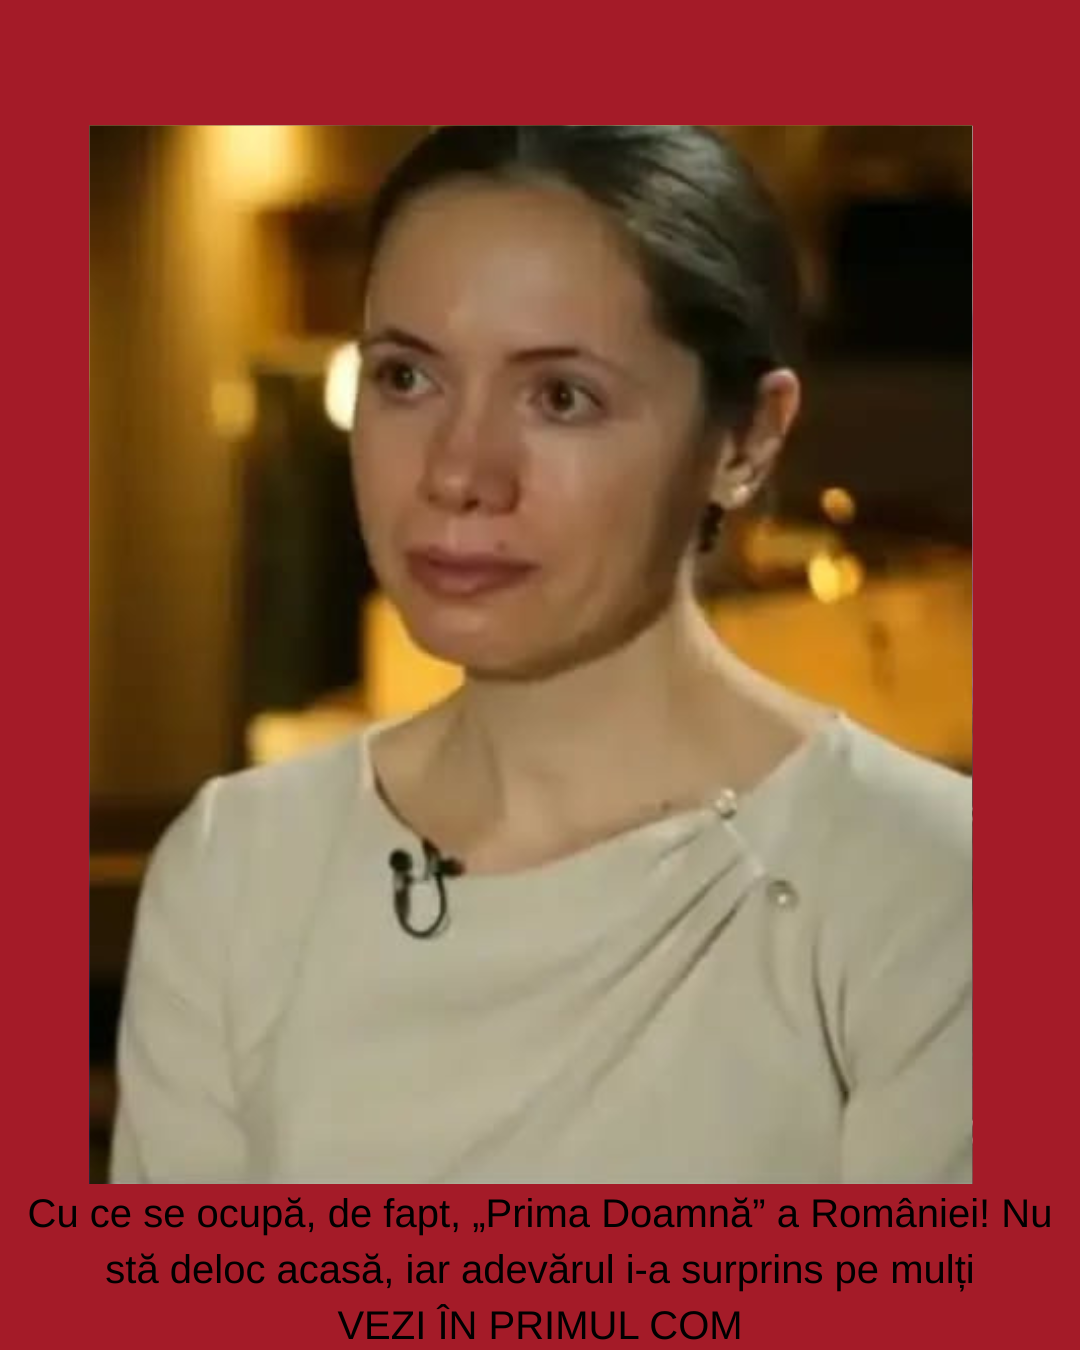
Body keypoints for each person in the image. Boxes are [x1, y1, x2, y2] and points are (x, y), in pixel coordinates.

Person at [111, 126, 971, 1184]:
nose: (459, 473)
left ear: (746, 439)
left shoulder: (928, 883)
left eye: (562, 396)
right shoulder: (237, 869)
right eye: (406, 378)